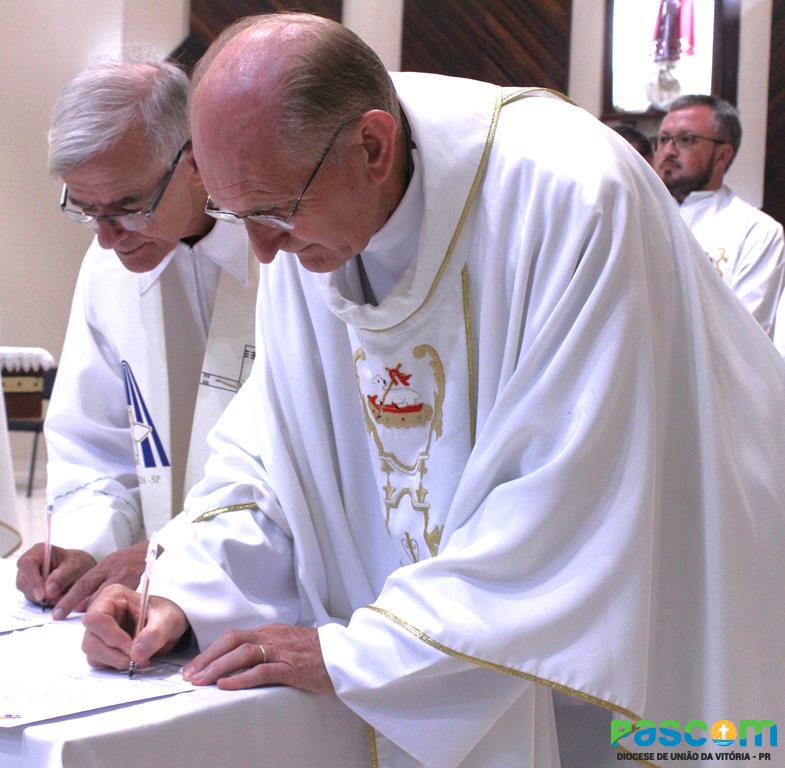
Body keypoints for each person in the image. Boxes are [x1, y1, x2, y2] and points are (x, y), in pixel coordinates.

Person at [82, 14, 785, 767]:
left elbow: (570, 497)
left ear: (373, 147)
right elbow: (273, 461)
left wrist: (362, 654)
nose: (261, 249)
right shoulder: (301, 210)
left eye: (273, 212)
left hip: (639, 631)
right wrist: (182, 585)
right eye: (234, 213)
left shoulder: (572, 197)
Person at [14, 56, 256, 619]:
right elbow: (96, 450)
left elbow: (297, 466)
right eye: (86, 209)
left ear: (194, 161)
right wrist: (83, 547)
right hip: (155, 604)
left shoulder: (286, 253)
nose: (107, 239)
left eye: (128, 207)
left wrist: (177, 552)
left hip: (279, 600)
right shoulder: (108, 271)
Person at [654, 94, 785, 337]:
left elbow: (746, 334)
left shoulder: (756, 231)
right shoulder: (638, 213)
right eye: (663, 139)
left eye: (686, 139)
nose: (668, 151)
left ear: (722, 155)